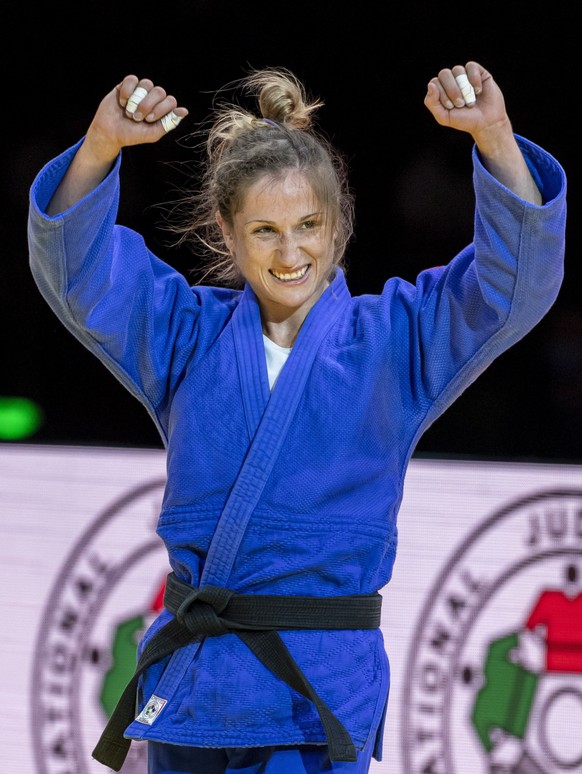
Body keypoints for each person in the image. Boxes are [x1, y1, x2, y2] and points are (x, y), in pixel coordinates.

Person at [27, 60, 566, 774]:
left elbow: (510, 290)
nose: (291, 253)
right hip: (196, 689)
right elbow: (79, 275)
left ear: (339, 223)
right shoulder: (185, 336)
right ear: (226, 230)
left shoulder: (390, 346)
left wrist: (495, 137)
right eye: (266, 230)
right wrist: (99, 145)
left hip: (313, 699)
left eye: (309, 225)